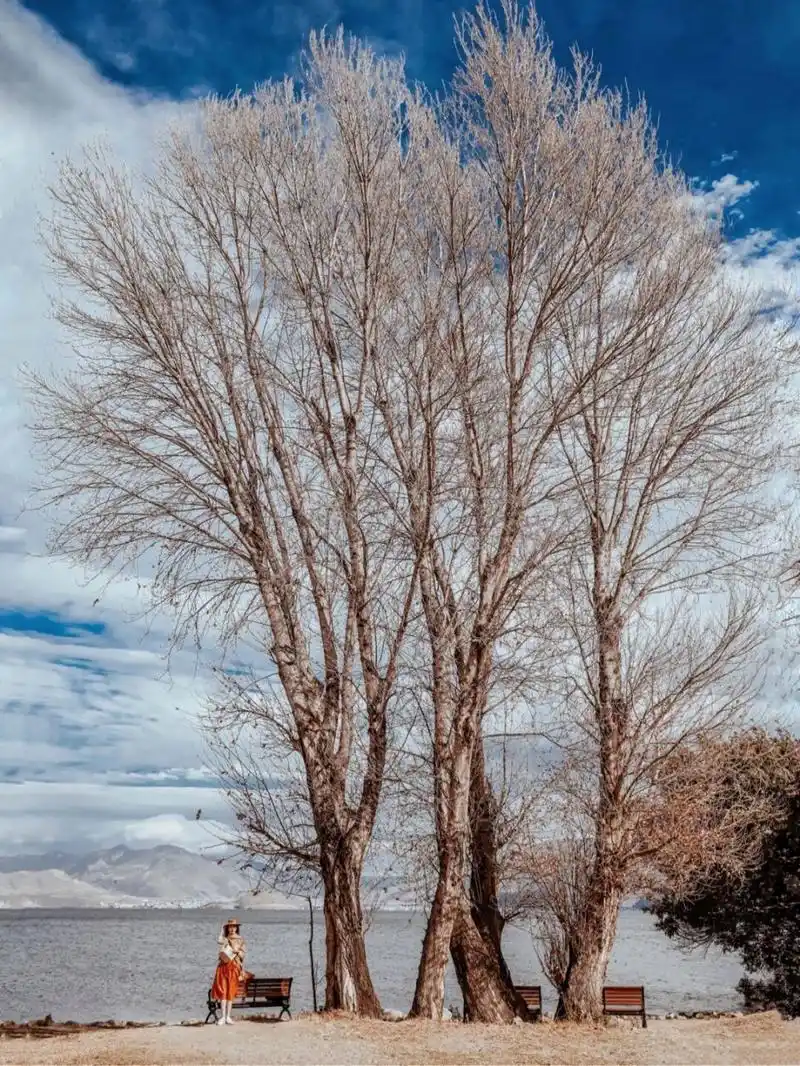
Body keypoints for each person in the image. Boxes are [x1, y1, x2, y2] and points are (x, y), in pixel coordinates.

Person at [211, 917, 246, 1025]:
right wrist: (222, 929)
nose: (232, 929)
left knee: (230, 992)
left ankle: (228, 1016)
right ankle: (222, 1017)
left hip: (234, 967)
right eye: (230, 927)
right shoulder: (225, 939)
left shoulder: (240, 940)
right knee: (223, 991)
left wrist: (237, 951)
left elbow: (243, 955)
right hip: (223, 967)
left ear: (236, 928)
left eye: (233, 927)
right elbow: (218, 940)